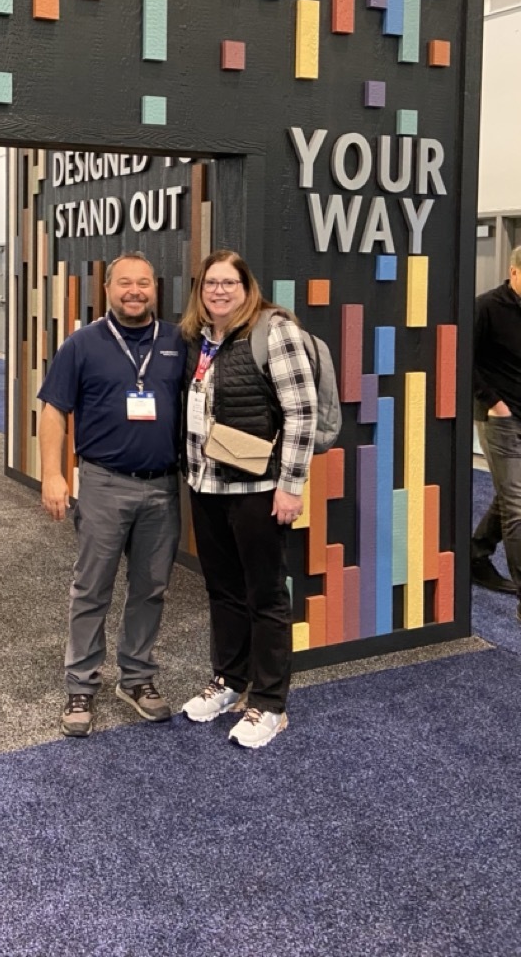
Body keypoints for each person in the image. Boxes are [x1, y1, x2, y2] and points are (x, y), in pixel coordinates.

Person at [38, 251, 186, 737]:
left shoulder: (177, 342)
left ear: (155, 288)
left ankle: (137, 677)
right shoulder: (82, 344)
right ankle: (81, 683)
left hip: (163, 487)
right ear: (107, 289)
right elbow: (53, 410)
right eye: (125, 283)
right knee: (92, 587)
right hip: (103, 483)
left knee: (151, 587)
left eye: (143, 283)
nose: (134, 291)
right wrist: (52, 474)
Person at [180, 250, 316, 750]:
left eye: (229, 283)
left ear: (246, 287)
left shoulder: (273, 331)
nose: (219, 291)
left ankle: (271, 703)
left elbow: (302, 412)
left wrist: (291, 485)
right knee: (223, 590)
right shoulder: (199, 338)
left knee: (266, 596)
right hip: (206, 486)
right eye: (210, 283)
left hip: (257, 489)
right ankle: (229, 680)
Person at [470, 246, 521, 602]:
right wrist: (494, 404)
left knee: (510, 494)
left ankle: (476, 552)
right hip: (499, 418)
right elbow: (463, 359)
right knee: (517, 505)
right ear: (514, 271)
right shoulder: (486, 307)